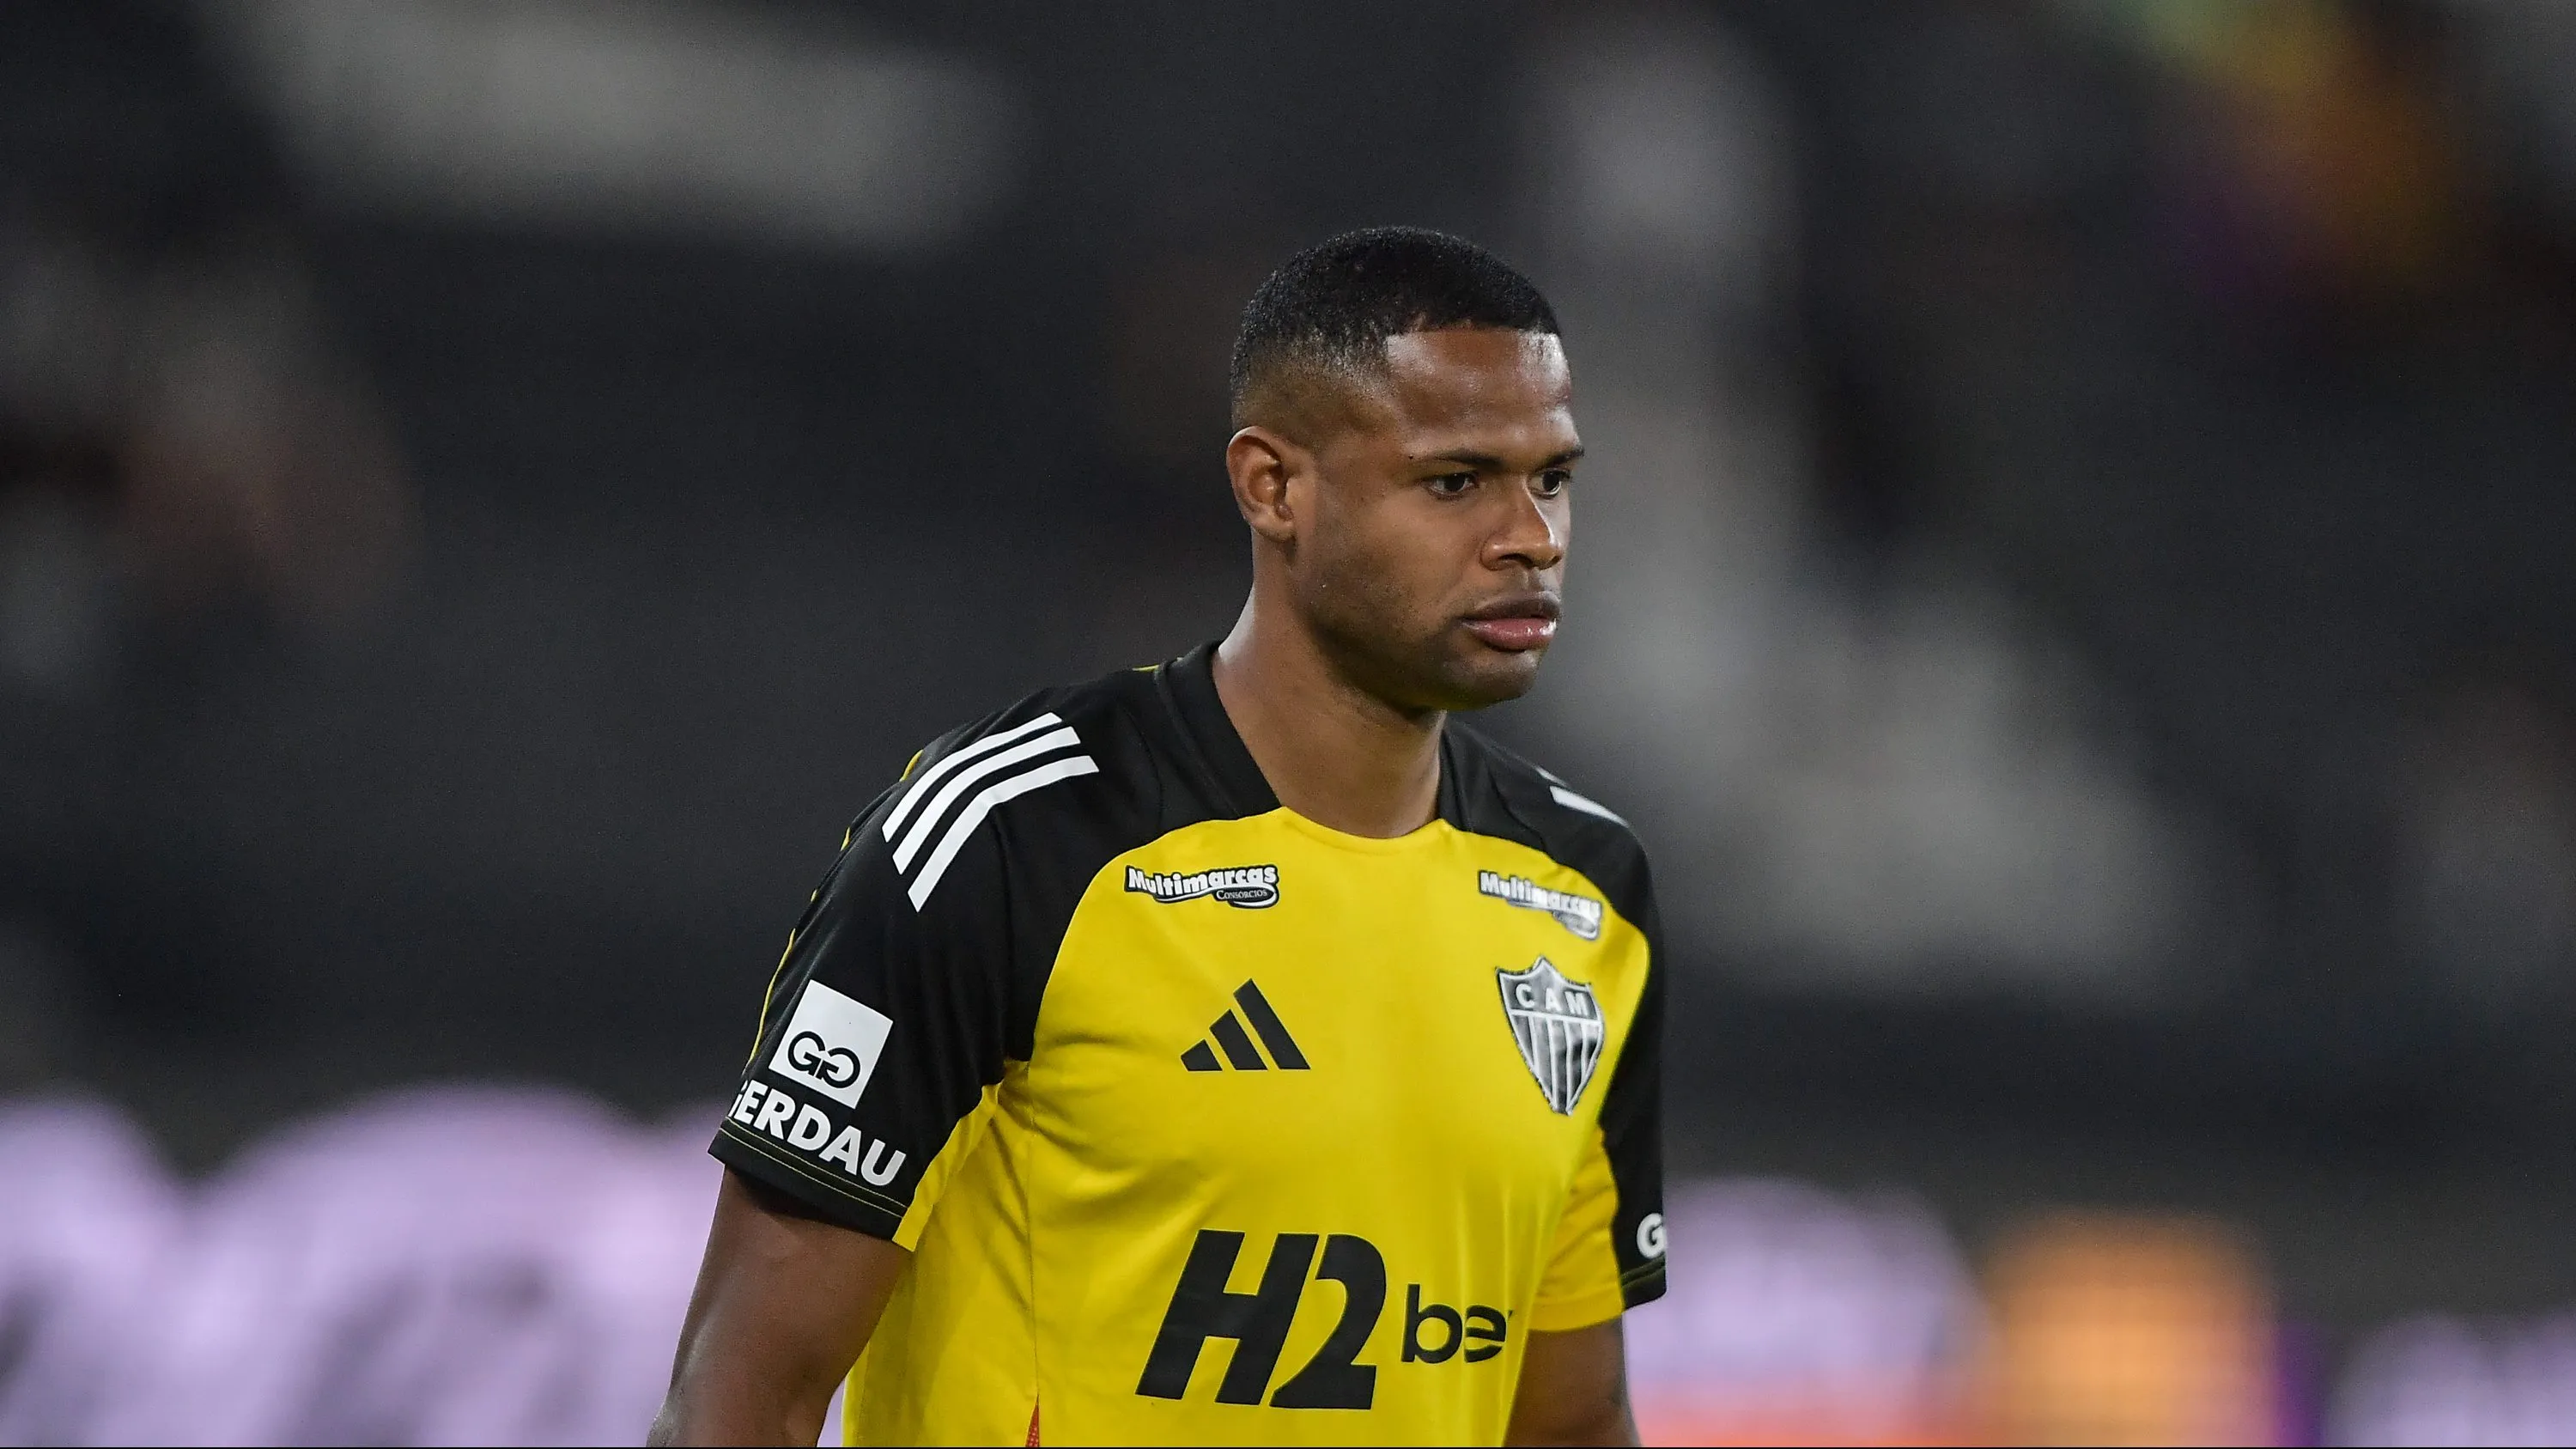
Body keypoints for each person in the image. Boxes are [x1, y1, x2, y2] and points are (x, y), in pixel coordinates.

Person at [653, 227, 1664, 1446]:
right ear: (1272, 486)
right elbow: (739, 1394)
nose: (1532, 537)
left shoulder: (1587, 893)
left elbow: (1569, 1421)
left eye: (1551, 477)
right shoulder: (1012, 841)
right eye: (1455, 481)